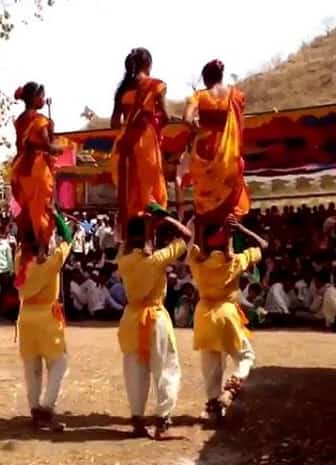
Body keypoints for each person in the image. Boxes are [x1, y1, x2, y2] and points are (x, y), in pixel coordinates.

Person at [117, 214, 190, 439]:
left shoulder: (123, 260)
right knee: (166, 368)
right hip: (155, 319)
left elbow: (125, 243)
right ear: (149, 236)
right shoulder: (157, 259)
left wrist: (147, 230)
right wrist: (167, 218)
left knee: (134, 370)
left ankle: (138, 421)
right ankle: (162, 420)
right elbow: (186, 237)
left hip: (131, 319)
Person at [189, 216, 267, 423]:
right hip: (227, 314)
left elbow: (194, 243)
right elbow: (264, 245)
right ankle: (232, 388)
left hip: (204, 315)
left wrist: (200, 224)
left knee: (211, 367)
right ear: (227, 240)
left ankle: (214, 407)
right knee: (246, 356)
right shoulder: (236, 260)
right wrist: (240, 229)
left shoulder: (196, 261)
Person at [15, 210, 73, 431]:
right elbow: (68, 236)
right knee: (59, 363)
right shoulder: (50, 262)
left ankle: (35, 410)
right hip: (47, 317)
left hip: (26, 316)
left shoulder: (19, 259)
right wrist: (55, 215)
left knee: (32, 367)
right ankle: (46, 409)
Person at [109, 48, 171, 234]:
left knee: (130, 190)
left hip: (124, 143)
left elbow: (114, 123)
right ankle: (148, 240)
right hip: (145, 141)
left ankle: (129, 238)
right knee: (149, 189)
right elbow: (166, 117)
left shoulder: (122, 90)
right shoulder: (156, 86)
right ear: (148, 64)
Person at [183, 59, 250, 226]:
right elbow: (238, 123)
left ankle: (202, 245)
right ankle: (229, 246)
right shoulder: (237, 96)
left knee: (204, 202)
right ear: (221, 76)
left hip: (206, 153)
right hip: (229, 155)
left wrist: (197, 126)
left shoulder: (200, 96)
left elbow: (187, 118)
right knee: (230, 203)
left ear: (205, 79)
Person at [8, 82, 63, 246]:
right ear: (34, 98)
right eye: (42, 96)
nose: (43, 100)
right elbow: (47, 145)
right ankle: (42, 248)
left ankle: (28, 244)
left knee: (28, 208)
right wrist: (59, 147)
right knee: (42, 208)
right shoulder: (39, 120)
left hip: (20, 169)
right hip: (37, 168)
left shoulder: (20, 120)